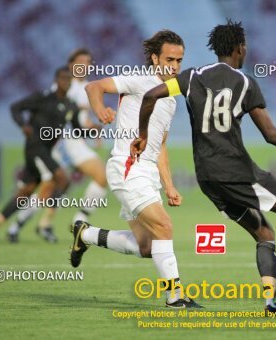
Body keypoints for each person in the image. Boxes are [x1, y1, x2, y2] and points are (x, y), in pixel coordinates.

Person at [130, 20, 276, 313]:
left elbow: (151, 95)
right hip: (236, 171)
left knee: (264, 233)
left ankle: (271, 301)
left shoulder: (191, 77)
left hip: (207, 178)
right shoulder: (245, 82)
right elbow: (273, 135)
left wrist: (141, 134)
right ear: (240, 48)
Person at [73, 30, 202, 308]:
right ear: (155, 58)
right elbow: (93, 87)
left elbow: (161, 146)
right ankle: (175, 296)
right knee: (164, 226)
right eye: (169, 59)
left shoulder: (171, 96)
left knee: (147, 247)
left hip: (147, 173)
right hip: (128, 168)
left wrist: (168, 185)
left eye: (179, 61)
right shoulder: (139, 80)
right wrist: (100, 111)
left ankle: (85, 234)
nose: (175, 67)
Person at [6, 49, 108, 243]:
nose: (84, 66)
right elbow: (59, 112)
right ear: (70, 65)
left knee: (98, 177)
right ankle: (19, 226)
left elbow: (79, 118)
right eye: (80, 62)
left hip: (76, 140)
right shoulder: (64, 86)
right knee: (50, 188)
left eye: (88, 62)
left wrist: (93, 128)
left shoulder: (89, 87)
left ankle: (71, 221)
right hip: (62, 141)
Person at [0, 67, 80, 245]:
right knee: (62, 178)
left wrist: (94, 128)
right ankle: (44, 224)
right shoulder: (43, 97)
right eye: (63, 78)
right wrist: (23, 125)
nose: (66, 81)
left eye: (69, 79)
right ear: (56, 80)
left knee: (26, 191)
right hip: (35, 147)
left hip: (46, 150)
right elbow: (15, 107)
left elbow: (78, 129)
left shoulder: (71, 105)